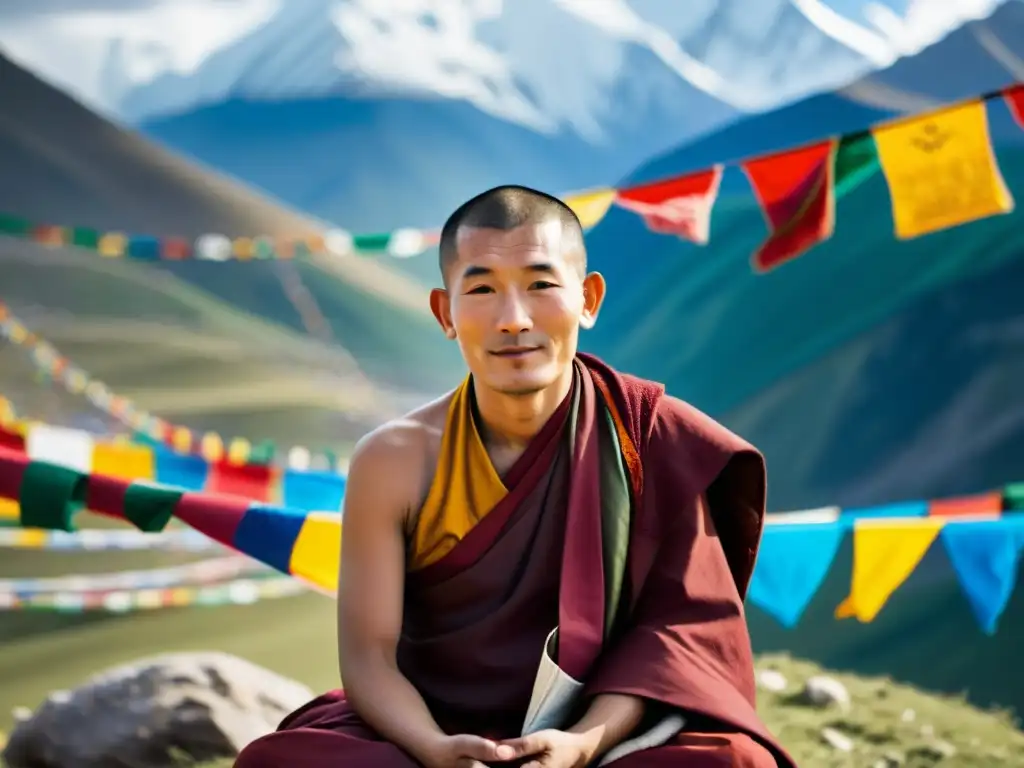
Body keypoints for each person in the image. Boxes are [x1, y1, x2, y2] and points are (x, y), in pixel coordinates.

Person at [234, 185, 795, 768]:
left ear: (588, 298)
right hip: (432, 726)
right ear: (445, 312)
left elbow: (672, 638)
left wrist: (583, 744)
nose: (514, 319)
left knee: (734, 763)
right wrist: (434, 749)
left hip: (602, 733)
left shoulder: (646, 437)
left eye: (541, 284)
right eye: (481, 289)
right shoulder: (393, 460)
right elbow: (370, 658)